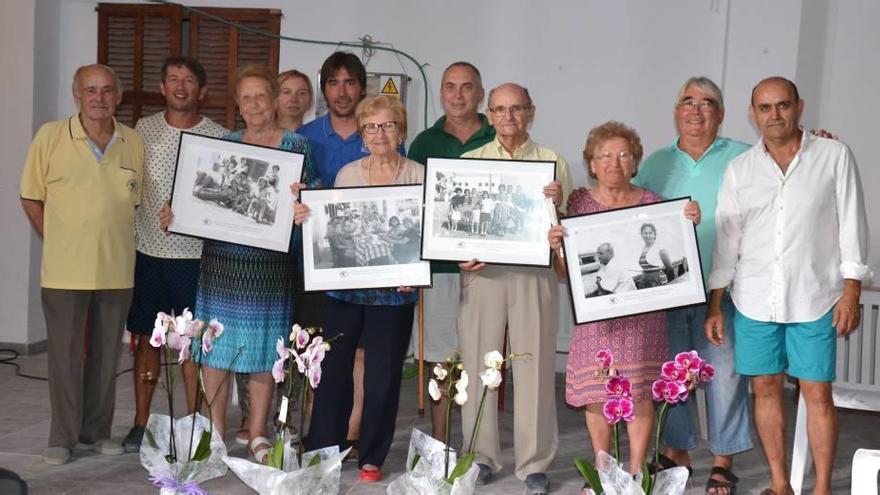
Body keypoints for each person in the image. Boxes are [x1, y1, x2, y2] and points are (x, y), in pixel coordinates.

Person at [706, 77, 872, 495]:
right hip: (754, 299)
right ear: (752, 114)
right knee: (764, 389)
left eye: (782, 106)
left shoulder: (833, 155)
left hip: (815, 297)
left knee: (816, 392)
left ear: (799, 106)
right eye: (764, 108)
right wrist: (715, 303)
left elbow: (852, 222)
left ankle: (820, 489)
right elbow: (729, 241)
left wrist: (852, 288)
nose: (774, 115)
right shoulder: (741, 170)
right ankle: (781, 485)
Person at [181, 65, 319, 464]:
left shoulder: (298, 146)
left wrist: (303, 205)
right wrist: (179, 213)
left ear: (275, 100)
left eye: (262, 96)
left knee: (264, 351)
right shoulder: (224, 144)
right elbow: (201, 201)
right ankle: (215, 433)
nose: (255, 104)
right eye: (247, 98)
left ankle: (258, 433)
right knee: (215, 351)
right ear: (238, 105)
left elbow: (313, 202)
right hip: (222, 264)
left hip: (271, 268)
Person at [547, 121, 700, 477]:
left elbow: (672, 256)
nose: (614, 163)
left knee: (641, 394)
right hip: (597, 321)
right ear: (592, 163)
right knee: (597, 395)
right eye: (605, 156)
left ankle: (634, 475)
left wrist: (687, 223)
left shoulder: (655, 204)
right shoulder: (578, 204)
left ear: (635, 162)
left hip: (643, 321)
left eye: (623, 155)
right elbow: (562, 273)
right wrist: (557, 250)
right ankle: (604, 475)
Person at [633, 76, 754, 494]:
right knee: (671, 374)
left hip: (724, 289)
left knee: (725, 375)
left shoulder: (744, 157)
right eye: (688, 100)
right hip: (667, 291)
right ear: (676, 112)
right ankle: (678, 449)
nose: (696, 110)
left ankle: (723, 458)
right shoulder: (654, 163)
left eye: (707, 103)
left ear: (720, 114)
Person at [20, 64, 144, 465]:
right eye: (90, 90)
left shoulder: (132, 142)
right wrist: (56, 238)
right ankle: (63, 437)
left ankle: (96, 432)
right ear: (77, 95)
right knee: (65, 357)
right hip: (64, 271)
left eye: (107, 90)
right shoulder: (51, 136)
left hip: (116, 269)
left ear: (118, 96)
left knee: (107, 357)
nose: (99, 97)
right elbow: (31, 196)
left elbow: (134, 202)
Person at [297, 95, 424, 482]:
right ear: (363, 135)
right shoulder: (348, 174)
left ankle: (371, 455)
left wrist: (417, 270)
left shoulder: (418, 175)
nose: (380, 133)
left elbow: (427, 236)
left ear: (401, 131)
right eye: (371, 126)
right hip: (345, 291)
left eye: (388, 125)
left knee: (383, 376)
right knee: (334, 370)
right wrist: (307, 216)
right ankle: (323, 448)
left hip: (395, 292)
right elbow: (334, 230)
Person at [457, 82, 572, 495]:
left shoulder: (552, 161)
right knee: (478, 366)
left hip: (533, 275)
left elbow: (566, 231)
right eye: (501, 109)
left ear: (531, 112)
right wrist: (459, 255)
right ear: (489, 114)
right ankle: (481, 455)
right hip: (483, 274)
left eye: (517, 109)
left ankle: (535, 461)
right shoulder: (470, 161)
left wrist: (556, 203)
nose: (509, 117)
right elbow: (456, 225)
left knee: (535, 366)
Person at [122, 56, 228, 453]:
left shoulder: (218, 136)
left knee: (192, 345)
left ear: (202, 91)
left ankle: (194, 423)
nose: (181, 87)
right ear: (162, 87)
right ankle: (139, 422)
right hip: (148, 251)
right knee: (148, 341)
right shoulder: (141, 131)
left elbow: (222, 199)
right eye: (173, 79)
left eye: (189, 81)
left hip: (195, 258)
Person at [406, 62, 495, 440]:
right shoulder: (423, 143)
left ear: (480, 94)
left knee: (481, 357)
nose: (457, 95)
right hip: (438, 267)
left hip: (490, 269)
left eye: (466, 87)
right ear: (441, 93)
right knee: (440, 357)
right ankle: (439, 442)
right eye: (450, 87)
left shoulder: (497, 139)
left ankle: (478, 440)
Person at [637, 222, 684, 288]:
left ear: (654, 235)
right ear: (641, 234)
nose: (647, 236)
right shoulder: (642, 248)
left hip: (657, 282)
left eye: (650, 233)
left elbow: (669, 267)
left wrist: (657, 274)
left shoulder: (660, 248)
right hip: (644, 282)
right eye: (645, 233)